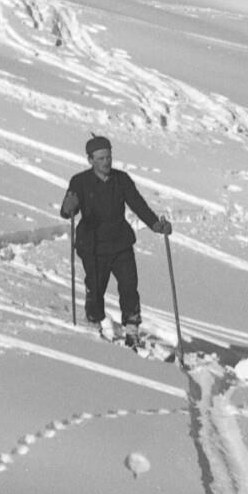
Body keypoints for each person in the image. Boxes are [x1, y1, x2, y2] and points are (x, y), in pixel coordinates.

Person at [61, 134, 171, 344]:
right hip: (93, 246)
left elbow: (137, 204)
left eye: (108, 157)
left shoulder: (121, 179)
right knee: (95, 288)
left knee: (129, 286)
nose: (106, 162)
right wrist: (70, 206)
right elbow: (67, 213)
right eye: (101, 158)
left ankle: (132, 329)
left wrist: (156, 224)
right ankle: (94, 324)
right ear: (90, 160)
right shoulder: (79, 181)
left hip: (120, 242)